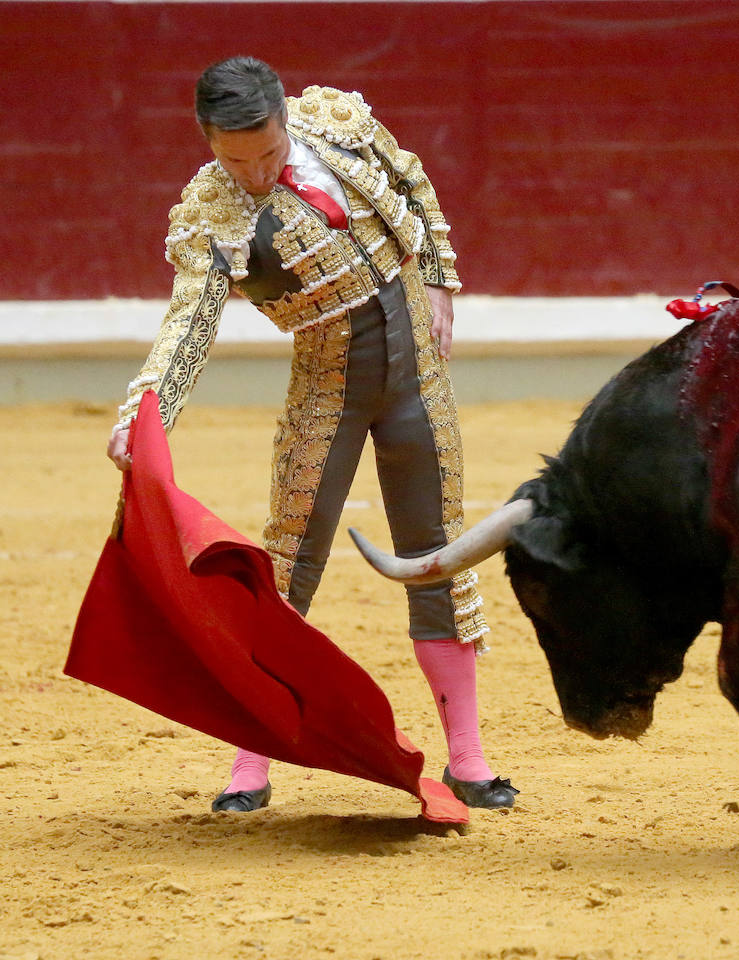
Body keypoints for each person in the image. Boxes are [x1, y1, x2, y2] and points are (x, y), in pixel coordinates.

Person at [105, 56, 518, 813]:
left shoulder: (338, 125)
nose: (256, 174)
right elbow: (189, 321)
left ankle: (470, 759)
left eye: (266, 153)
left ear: (284, 122)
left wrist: (439, 284)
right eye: (235, 160)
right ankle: (249, 766)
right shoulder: (210, 212)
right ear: (207, 143)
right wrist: (148, 407)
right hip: (326, 386)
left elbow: (413, 185)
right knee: (289, 568)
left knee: (438, 552)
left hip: (417, 376)